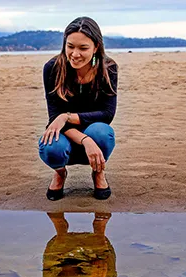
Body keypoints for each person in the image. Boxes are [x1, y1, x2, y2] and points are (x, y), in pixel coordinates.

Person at [39, 16, 118, 201]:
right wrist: (84, 140)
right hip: (65, 136)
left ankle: (98, 172)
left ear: (96, 47)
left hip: (95, 131)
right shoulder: (52, 68)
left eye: (83, 48)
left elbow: (107, 114)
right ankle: (59, 173)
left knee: (102, 132)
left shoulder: (109, 69)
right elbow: (54, 119)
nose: (75, 54)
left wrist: (66, 117)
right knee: (50, 145)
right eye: (70, 46)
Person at [43, 212, 117, 277]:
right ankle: (99, 228)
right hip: (94, 272)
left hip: (61, 264)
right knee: (103, 269)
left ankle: (60, 228)